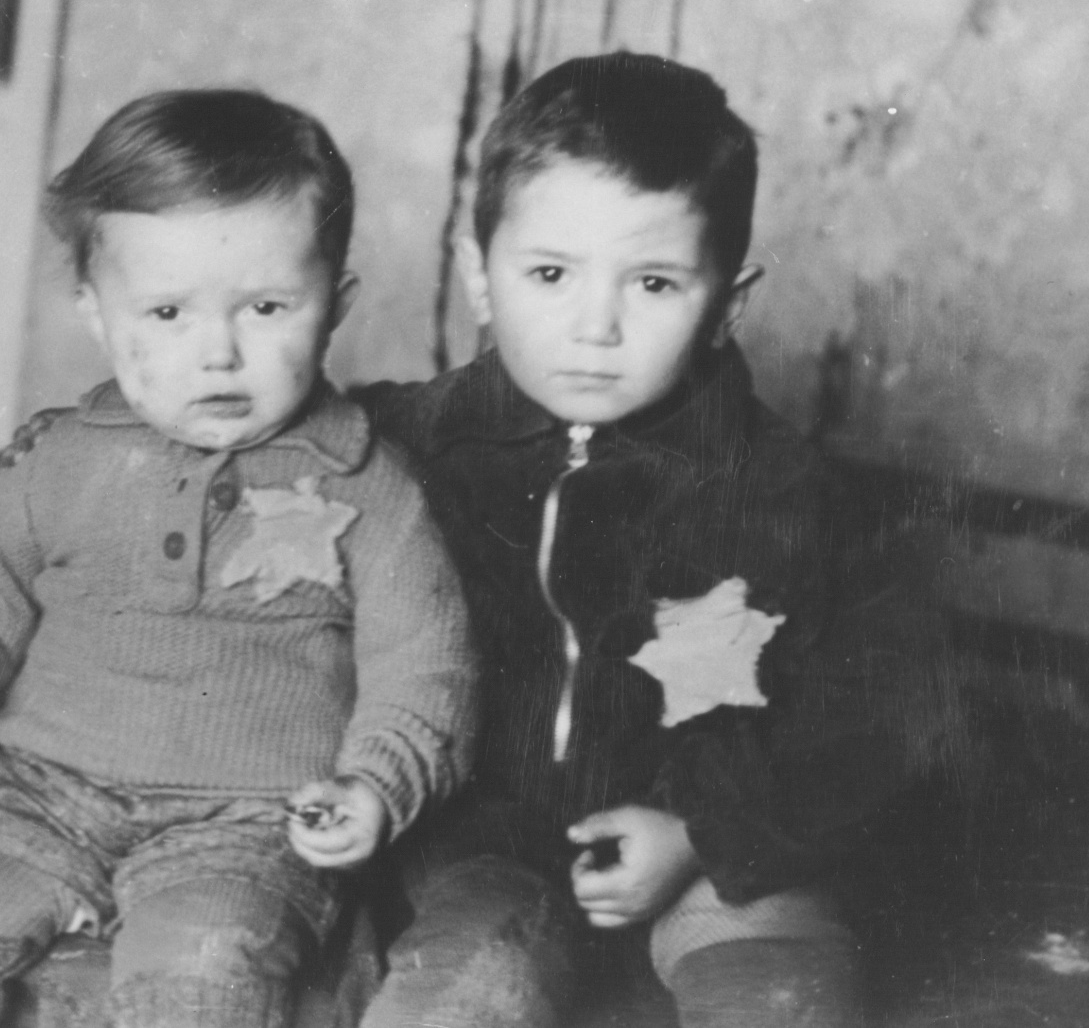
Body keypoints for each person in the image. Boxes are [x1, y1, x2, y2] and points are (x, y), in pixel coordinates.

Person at [0, 89, 476, 1028]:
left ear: (335, 307)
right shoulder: (65, 460)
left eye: (267, 306)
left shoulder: (369, 484)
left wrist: (372, 782)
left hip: (250, 822)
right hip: (36, 789)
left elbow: (425, 668)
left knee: (206, 969)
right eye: (167, 312)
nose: (219, 352)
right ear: (98, 315)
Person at [356, 52, 905, 1028]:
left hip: (725, 850)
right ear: (481, 277)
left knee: (786, 993)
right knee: (458, 993)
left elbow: (877, 716)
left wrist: (703, 832)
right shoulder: (402, 446)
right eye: (552, 273)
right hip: (493, 853)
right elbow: (257, 451)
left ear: (727, 307)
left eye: (652, 282)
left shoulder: (785, 488)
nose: (595, 325)